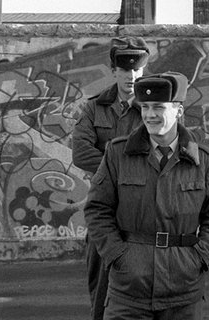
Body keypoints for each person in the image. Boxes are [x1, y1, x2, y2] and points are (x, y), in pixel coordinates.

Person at [84, 71, 209, 320]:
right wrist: (117, 256)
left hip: (183, 290)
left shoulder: (203, 161)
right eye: (145, 107)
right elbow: (97, 210)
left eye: (159, 107)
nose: (150, 115)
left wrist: (201, 256)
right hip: (129, 290)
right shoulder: (118, 155)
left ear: (179, 110)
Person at [72, 36, 150, 320]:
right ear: (114, 70)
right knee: (101, 284)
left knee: (142, 284)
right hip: (103, 208)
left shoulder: (152, 109)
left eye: (137, 70)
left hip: (141, 209)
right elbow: (80, 153)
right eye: (125, 70)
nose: (131, 76)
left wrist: (107, 159)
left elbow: (159, 152)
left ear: (144, 70)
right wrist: (123, 166)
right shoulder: (95, 108)